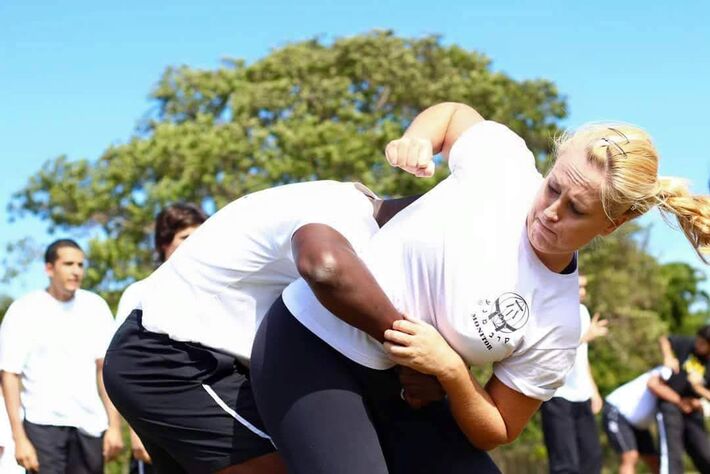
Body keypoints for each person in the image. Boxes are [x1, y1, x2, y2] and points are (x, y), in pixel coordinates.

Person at [249, 102, 710, 474]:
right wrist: (419, 140)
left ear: (614, 223)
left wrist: (452, 372)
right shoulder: (504, 167)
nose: (551, 212)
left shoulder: (559, 320)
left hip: (406, 394)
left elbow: (499, 427)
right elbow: (452, 115)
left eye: (577, 210)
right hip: (314, 348)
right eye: (553, 190)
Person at [103, 181, 421, 474]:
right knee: (308, 461)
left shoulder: (335, 200)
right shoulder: (348, 214)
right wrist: (411, 351)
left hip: (161, 358)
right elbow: (325, 267)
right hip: (173, 360)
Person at [0, 239, 123, 474]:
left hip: (89, 425)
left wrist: (114, 425)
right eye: (68, 264)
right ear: (49, 268)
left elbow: (104, 370)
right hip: (42, 426)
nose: (76, 271)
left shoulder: (95, 306)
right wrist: (19, 438)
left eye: (80, 264)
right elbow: (9, 375)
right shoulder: (24, 310)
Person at [115, 203, 208, 474]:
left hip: (204, 422)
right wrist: (135, 434)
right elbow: (125, 372)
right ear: (164, 243)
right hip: (158, 424)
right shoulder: (140, 293)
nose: (194, 245)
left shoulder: (215, 289)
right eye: (185, 238)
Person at [540, 274, 607, 474]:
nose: (583, 292)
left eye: (584, 287)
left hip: (582, 395)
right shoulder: (550, 311)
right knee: (565, 464)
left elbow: (581, 358)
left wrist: (593, 390)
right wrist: (586, 336)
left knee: (592, 459)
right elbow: (550, 350)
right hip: (557, 396)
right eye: (578, 287)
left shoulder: (583, 312)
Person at [602, 365, 679, 474]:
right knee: (630, 456)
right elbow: (653, 385)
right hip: (617, 413)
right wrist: (680, 401)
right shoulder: (666, 370)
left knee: (654, 460)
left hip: (638, 425)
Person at [656, 325, 710, 473]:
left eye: (702, 344)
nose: (698, 345)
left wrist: (699, 388)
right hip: (670, 405)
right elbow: (665, 339)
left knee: (705, 454)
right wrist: (668, 356)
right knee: (673, 454)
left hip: (692, 410)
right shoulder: (688, 344)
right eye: (698, 340)